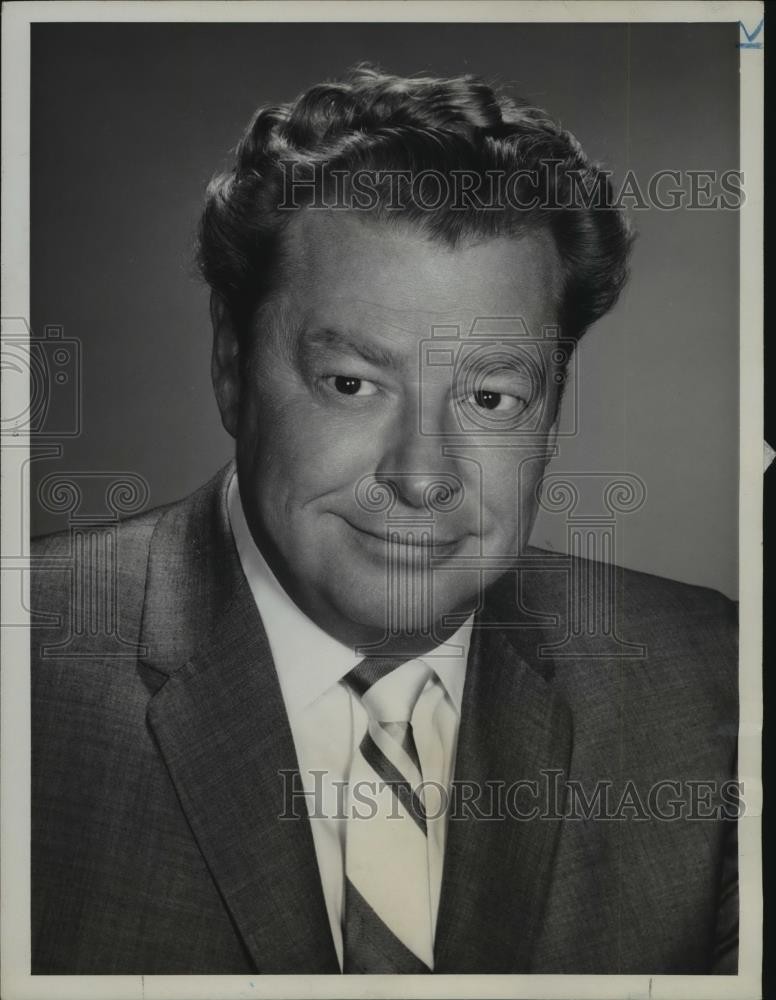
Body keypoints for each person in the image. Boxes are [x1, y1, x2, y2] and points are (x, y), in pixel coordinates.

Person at [31, 65, 738, 975]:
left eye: (490, 396)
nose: (421, 477)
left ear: (554, 409)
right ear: (230, 365)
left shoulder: (711, 683)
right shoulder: (30, 673)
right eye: (353, 385)